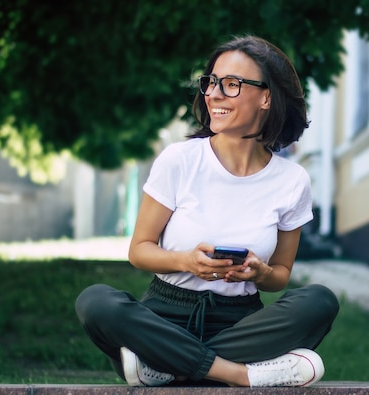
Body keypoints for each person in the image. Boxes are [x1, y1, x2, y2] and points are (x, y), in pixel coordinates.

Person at [75, 35, 339, 388]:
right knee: (96, 302)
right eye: (211, 82)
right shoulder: (179, 160)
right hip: (164, 314)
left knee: (320, 301)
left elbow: (280, 276)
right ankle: (237, 373)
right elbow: (139, 250)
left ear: (266, 97)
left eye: (231, 85)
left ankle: (165, 366)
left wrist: (259, 272)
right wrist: (186, 261)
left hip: (240, 322)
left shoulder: (292, 180)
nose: (213, 94)